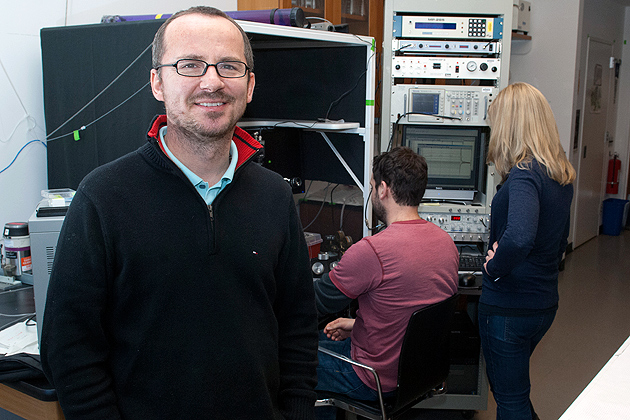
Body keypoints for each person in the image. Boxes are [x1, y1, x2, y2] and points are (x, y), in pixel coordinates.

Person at [40, 7, 318, 420]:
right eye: (189, 65)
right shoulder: (103, 197)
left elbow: (297, 328)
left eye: (229, 66)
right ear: (157, 82)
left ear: (250, 85)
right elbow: (69, 347)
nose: (212, 81)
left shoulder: (274, 197)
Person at [312, 147, 459, 415]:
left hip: (373, 378)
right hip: (415, 373)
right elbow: (410, 315)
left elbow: (317, 300)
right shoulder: (446, 243)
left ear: (383, 189)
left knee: (287, 358)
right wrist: (358, 325)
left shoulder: (373, 251)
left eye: (371, 186)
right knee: (320, 343)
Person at [480, 82, 576, 420]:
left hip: (510, 307)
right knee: (515, 394)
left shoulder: (523, 176)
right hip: (542, 303)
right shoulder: (558, 174)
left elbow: (520, 237)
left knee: (510, 399)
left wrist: (494, 268)